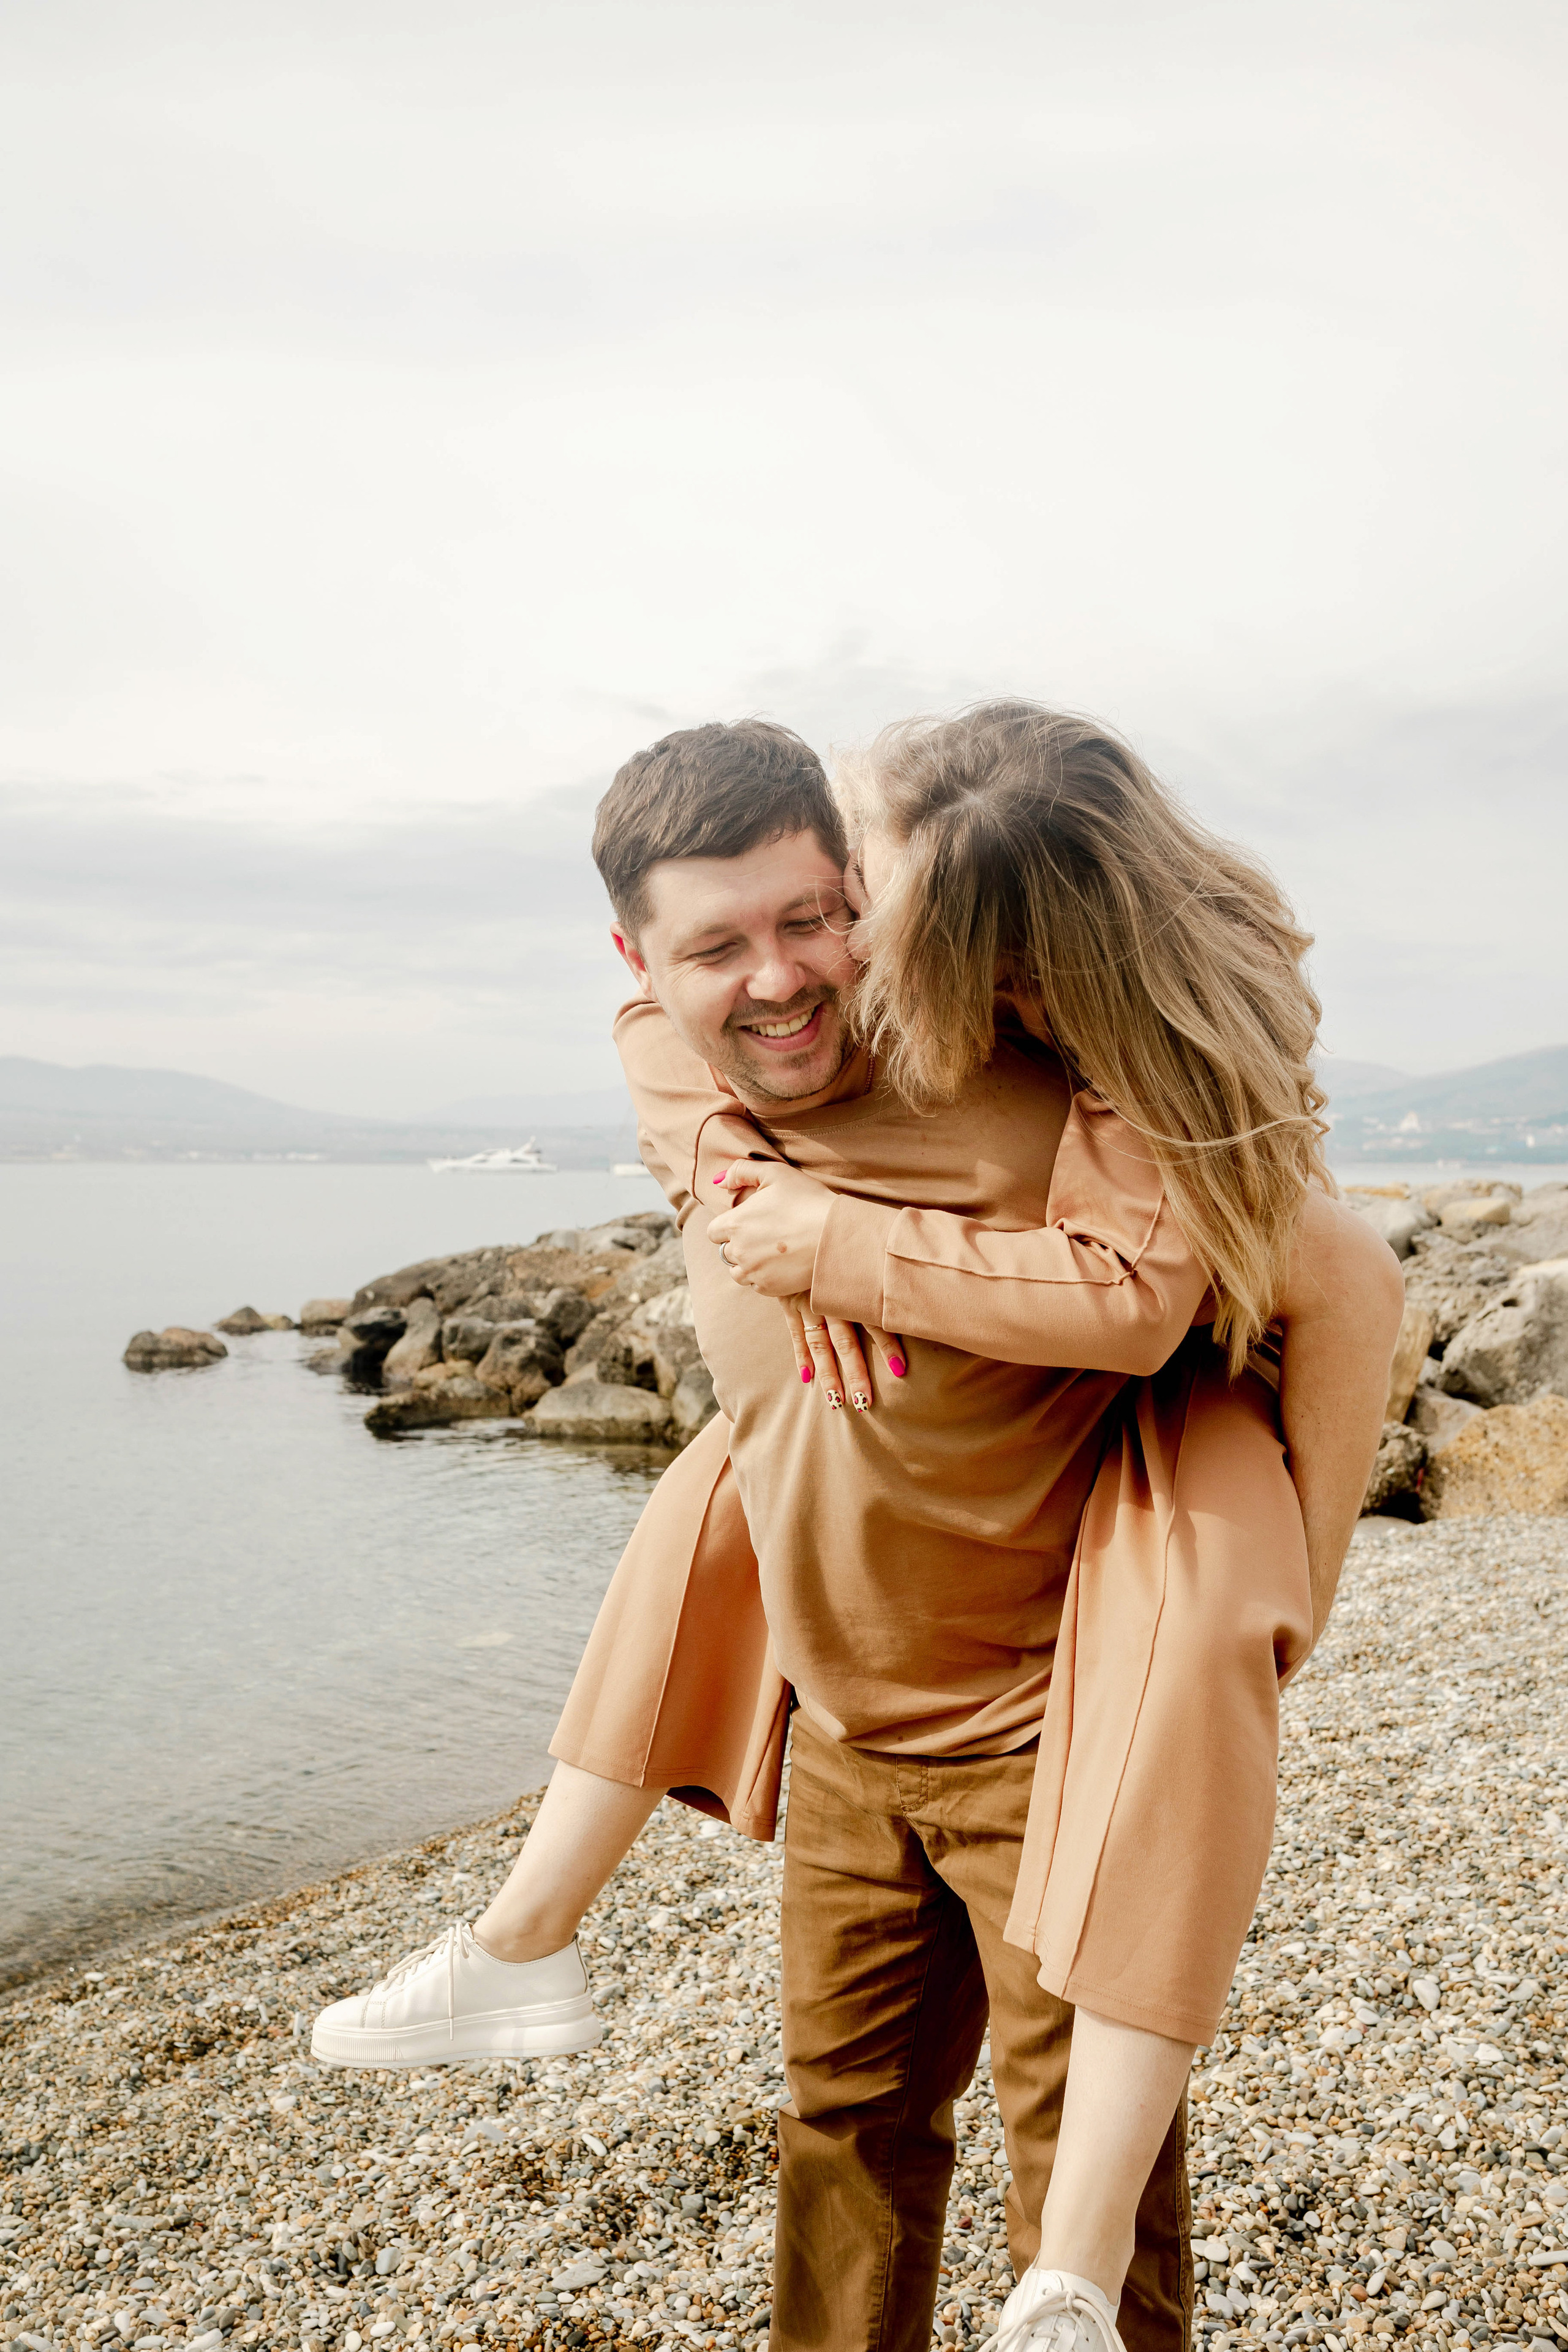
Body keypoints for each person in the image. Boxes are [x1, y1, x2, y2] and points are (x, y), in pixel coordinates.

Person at [313, 710, 1403, 2352]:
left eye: (816, 918)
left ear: (877, 904)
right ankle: (523, 1937)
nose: (779, 979)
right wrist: (751, 1192)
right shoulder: (701, 1072)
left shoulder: (1042, 1089)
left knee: (1092, 2218)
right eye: (717, 948)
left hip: (1050, 1734)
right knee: (844, 2137)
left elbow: (1316, 1280)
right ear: (642, 957)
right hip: (845, 1728)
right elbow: (657, 1041)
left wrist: (1290, 1598)